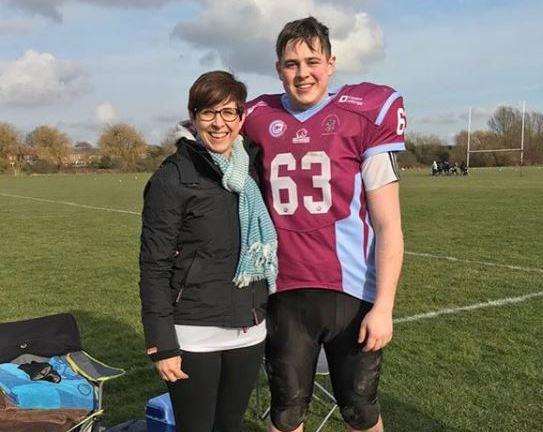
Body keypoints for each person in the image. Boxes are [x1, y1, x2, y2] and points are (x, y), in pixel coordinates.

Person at [243, 17, 405, 432]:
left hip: (352, 291)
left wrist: (384, 306)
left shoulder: (363, 115)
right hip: (284, 291)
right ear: (279, 69)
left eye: (312, 61)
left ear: (331, 64)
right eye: (291, 63)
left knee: (361, 410)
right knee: (286, 413)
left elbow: (388, 225)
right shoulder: (256, 118)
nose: (303, 73)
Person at [139, 71, 277, 432]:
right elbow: (153, 265)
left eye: (229, 112)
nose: (219, 123)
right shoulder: (174, 177)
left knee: (231, 425)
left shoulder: (252, 172)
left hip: (249, 329)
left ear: (242, 118)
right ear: (193, 116)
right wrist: (162, 343)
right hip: (193, 334)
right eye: (209, 113)